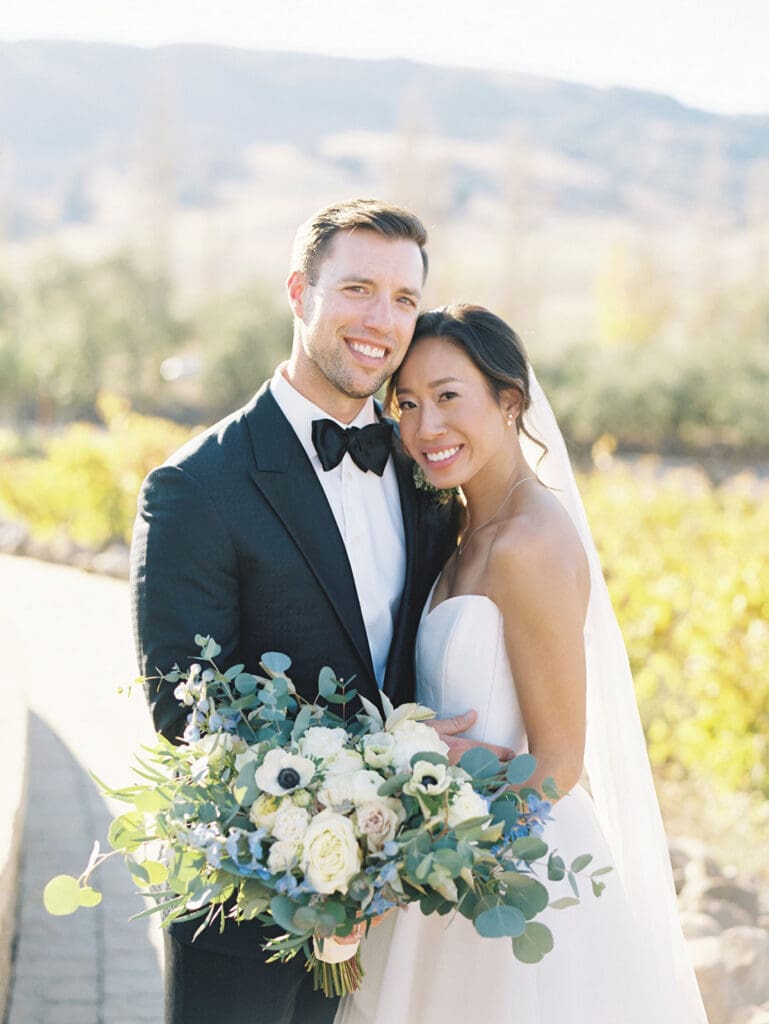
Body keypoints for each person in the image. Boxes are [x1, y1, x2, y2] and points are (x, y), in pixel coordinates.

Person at [129, 201, 507, 1024]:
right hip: (248, 897)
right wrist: (389, 753)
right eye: (358, 289)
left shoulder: (423, 474)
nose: (382, 321)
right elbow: (187, 706)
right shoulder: (196, 486)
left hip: (394, 894)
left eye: (404, 299)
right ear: (299, 291)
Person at [335, 305, 709, 1023]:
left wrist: (437, 830)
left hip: (502, 869)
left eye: (448, 397)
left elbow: (560, 761)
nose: (424, 428)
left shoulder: (528, 544)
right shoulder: (465, 528)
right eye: (405, 404)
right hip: (448, 853)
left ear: (509, 401)